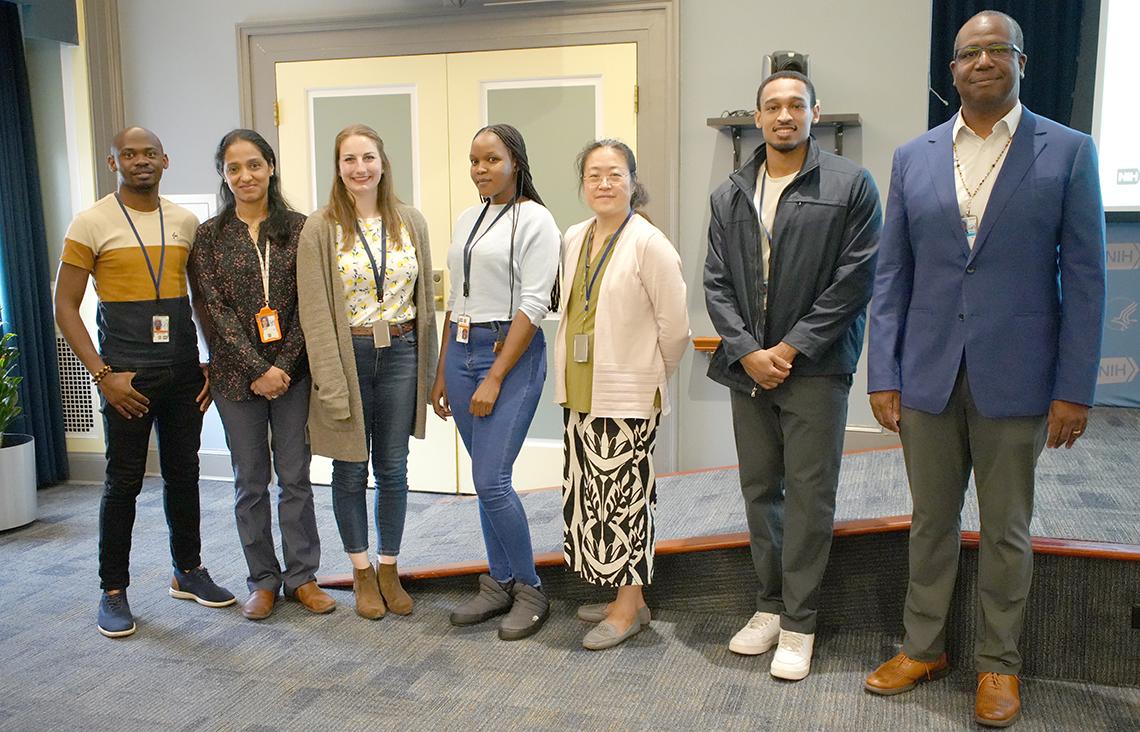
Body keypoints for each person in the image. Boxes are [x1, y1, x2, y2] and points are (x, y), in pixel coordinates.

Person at [863, 12, 1106, 727]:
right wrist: (884, 372)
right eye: (970, 52)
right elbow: (892, 277)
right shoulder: (915, 156)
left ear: (1022, 62)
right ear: (953, 71)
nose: (983, 61)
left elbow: (1086, 279)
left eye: (997, 50)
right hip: (929, 371)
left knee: (1006, 528)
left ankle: (999, 666)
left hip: (1021, 376)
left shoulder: (1067, 151)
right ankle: (924, 646)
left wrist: (1074, 388)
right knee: (930, 521)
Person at [703, 71, 882, 679]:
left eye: (795, 105)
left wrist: (791, 348)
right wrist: (749, 350)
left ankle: (801, 621)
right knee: (760, 489)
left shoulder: (850, 184)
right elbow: (716, 283)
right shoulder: (731, 191)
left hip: (815, 369)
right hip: (748, 368)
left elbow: (854, 280)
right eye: (773, 106)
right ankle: (770, 606)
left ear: (814, 112)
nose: (784, 115)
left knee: (809, 495)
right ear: (757, 117)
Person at [54, 126, 236, 638]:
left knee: (185, 474)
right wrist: (102, 374)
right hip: (125, 377)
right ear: (114, 162)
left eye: (148, 153)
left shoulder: (184, 221)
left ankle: (188, 570)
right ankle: (113, 589)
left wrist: (209, 360)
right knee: (123, 482)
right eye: (128, 154)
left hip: (182, 372)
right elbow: (64, 305)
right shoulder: (90, 222)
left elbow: (199, 300)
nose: (140, 161)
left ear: (165, 160)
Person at [188, 129, 335, 621]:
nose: (245, 176)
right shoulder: (209, 236)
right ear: (224, 177)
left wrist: (281, 366)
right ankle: (263, 580)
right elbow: (215, 310)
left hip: (292, 373)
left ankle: (303, 578)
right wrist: (256, 368)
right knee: (249, 482)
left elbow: (307, 304)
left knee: (295, 477)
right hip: (236, 380)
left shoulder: (302, 227)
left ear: (270, 167)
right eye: (234, 168)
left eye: (254, 165)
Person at [297, 124, 438, 620]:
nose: (360, 168)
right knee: (350, 467)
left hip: (400, 352)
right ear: (337, 167)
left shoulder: (410, 221)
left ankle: (388, 566)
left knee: (394, 468)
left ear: (383, 162)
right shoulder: (320, 227)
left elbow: (426, 306)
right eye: (349, 159)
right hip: (348, 358)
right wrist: (330, 382)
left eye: (368, 157)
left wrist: (430, 371)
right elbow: (315, 313)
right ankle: (359, 570)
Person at [556, 139, 689, 650]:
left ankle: (630, 606)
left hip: (629, 395)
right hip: (580, 393)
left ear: (633, 181)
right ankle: (620, 595)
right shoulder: (574, 237)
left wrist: (649, 377)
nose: (604, 184)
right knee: (591, 500)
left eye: (615, 174)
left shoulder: (649, 243)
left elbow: (674, 329)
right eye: (594, 175)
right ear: (583, 185)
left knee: (628, 502)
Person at [431, 123, 560, 641]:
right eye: (474, 160)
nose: (480, 170)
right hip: (461, 350)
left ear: (516, 163)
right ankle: (498, 581)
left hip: (510, 353)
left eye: (491, 160)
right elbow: (454, 298)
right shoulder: (467, 218)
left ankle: (530, 588)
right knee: (487, 483)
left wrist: (496, 374)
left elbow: (533, 303)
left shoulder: (536, 220)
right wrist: (442, 370)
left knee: (491, 480)